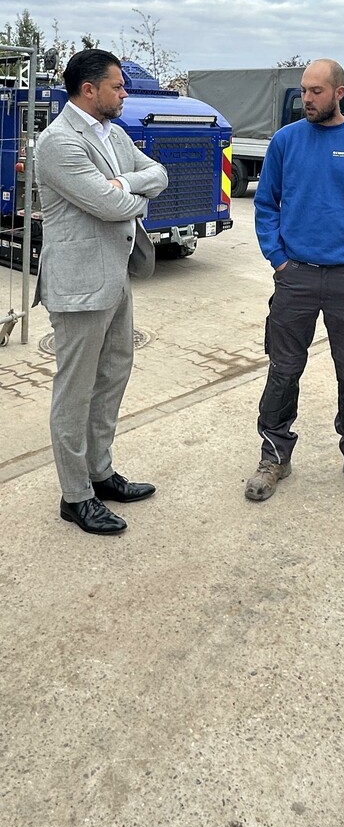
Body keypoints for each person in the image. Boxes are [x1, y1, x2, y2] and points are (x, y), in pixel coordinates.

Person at [245, 58, 344, 504]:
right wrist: (278, 259)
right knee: (283, 370)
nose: (306, 99)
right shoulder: (285, 141)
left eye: (316, 91)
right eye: (303, 91)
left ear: (339, 92)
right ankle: (274, 455)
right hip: (295, 278)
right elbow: (266, 205)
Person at [35, 49, 169, 535]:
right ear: (88, 90)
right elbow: (111, 206)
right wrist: (128, 194)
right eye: (117, 86)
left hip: (116, 277)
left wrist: (123, 182)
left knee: (113, 376)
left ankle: (100, 472)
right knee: (74, 392)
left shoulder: (110, 133)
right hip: (79, 286)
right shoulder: (57, 143)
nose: (124, 93)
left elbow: (160, 173)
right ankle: (75, 496)